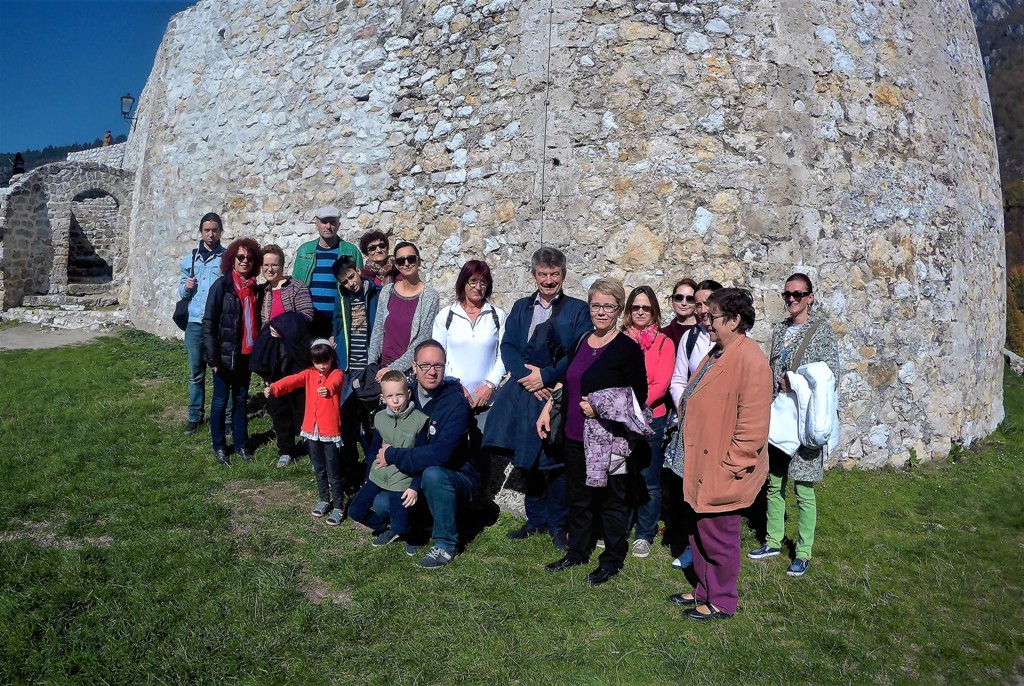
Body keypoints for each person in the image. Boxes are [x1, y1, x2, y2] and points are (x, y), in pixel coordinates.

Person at [669, 288, 772, 619]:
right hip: (701, 463)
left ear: (734, 319)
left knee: (719, 538)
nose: (705, 321)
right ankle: (704, 589)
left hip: (722, 468)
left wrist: (731, 467)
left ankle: (722, 600)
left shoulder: (750, 360)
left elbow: (753, 428)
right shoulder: (718, 352)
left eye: (712, 316)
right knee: (698, 532)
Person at [539, 278, 649, 586]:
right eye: (596, 305)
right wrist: (548, 408)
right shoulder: (582, 340)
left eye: (608, 307)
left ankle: (612, 559)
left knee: (612, 502)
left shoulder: (627, 349)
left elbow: (638, 396)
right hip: (574, 435)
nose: (601, 312)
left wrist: (599, 406)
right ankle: (577, 551)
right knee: (579, 498)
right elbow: (568, 382)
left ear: (619, 309)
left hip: (609, 440)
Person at [483, 248, 591, 551]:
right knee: (528, 459)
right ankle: (535, 520)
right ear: (534, 276)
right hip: (524, 392)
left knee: (555, 461)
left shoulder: (578, 310)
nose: (548, 280)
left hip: (559, 391)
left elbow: (578, 351)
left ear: (563, 275)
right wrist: (526, 377)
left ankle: (557, 525)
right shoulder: (521, 307)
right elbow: (508, 346)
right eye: (543, 274)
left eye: (554, 274)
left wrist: (546, 377)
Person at [748, 272, 840, 577]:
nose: (791, 299)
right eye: (787, 294)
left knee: (804, 488)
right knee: (774, 483)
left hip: (805, 420)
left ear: (810, 297)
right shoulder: (780, 329)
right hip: (780, 418)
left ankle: (803, 552)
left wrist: (795, 383)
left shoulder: (822, 331)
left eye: (798, 294)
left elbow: (830, 376)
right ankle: (773, 541)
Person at [371, 340, 478, 569]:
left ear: (445, 367)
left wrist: (393, 455)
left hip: (455, 476)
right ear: (414, 367)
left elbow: (440, 454)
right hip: (415, 477)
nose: (432, 371)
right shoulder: (404, 395)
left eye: (438, 366)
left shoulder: (456, 403)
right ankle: (420, 525)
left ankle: (446, 544)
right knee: (381, 504)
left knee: (433, 475)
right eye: (425, 365)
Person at [664, 278, 720, 566]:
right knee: (689, 486)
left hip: (719, 427)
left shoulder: (731, 339)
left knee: (713, 488)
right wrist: (685, 409)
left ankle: (713, 545)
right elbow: (678, 379)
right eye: (698, 304)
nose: (701, 309)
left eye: (706, 303)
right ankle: (691, 544)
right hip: (691, 424)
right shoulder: (690, 337)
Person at [265, 340, 346, 525]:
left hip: (329, 431)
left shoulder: (337, 373)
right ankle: (324, 499)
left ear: (332, 358)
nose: (322, 366)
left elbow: (335, 383)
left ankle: (338, 507)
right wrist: (274, 388)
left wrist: (328, 390)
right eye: (318, 362)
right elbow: (291, 381)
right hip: (311, 430)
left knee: (333, 470)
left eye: (325, 361)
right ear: (312, 361)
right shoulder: (309, 374)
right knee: (318, 467)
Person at [348, 370, 430, 546]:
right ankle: (387, 527)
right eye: (389, 396)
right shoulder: (380, 417)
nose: (395, 401)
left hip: (402, 480)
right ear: (383, 398)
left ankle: (408, 530)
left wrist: (415, 486)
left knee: (401, 527)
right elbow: (374, 448)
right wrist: (368, 475)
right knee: (355, 511)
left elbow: (422, 458)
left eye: (399, 395)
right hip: (378, 474)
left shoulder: (419, 420)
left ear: (408, 394)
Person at [622, 286, 675, 559]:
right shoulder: (619, 340)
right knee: (622, 476)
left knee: (648, 479)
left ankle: (644, 534)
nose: (641, 312)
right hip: (620, 417)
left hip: (651, 417)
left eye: (646, 307)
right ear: (629, 310)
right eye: (636, 307)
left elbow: (660, 384)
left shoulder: (664, 343)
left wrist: (633, 406)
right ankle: (620, 527)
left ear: (654, 310)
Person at [202, 237, 262, 466]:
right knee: (219, 401)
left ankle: (241, 444)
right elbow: (209, 323)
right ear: (232, 259)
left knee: (241, 400)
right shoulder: (222, 286)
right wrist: (213, 358)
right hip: (225, 356)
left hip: (246, 354)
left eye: (250, 258)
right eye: (240, 257)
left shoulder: (254, 288)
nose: (245, 261)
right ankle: (219, 446)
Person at [253, 244, 314, 467]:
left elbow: (307, 315)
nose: (270, 269)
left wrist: (282, 326)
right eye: (266, 265)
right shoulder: (262, 292)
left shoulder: (296, 287)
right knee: (276, 400)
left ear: (282, 265)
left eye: (274, 264)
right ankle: (286, 449)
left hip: (293, 354)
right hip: (271, 354)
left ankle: (308, 442)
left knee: (299, 399)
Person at [432, 260, 506, 433]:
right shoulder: (446, 316)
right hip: (454, 397)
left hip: (488, 401)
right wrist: (456, 386)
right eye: (473, 281)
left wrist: (490, 386)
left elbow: (503, 356)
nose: (478, 287)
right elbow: (438, 357)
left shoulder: (497, 316)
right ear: (463, 282)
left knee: (484, 446)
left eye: (483, 282)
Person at [177, 212, 227, 435]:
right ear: (201, 231)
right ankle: (195, 416)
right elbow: (181, 291)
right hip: (195, 323)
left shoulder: (226, 259)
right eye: (207, 230)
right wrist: (186, 287)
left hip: (218, 324)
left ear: (220, 232)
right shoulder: (191, 258)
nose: (210, 234)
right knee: (196, 374)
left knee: (222, 372)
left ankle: (225, 417)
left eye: (214, 230)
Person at [331, 255, 380, 474]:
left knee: (370, 420)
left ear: (358, 271)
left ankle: (373, 464)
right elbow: (337, 322)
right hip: (348, 368)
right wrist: (336, 341)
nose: (350, 283)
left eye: (351, 277)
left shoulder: (376, 293)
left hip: (369, 368)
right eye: (344, 281)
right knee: (346, 417)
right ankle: (349, 466)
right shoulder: (342, 298)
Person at [367, 241, 440, 379]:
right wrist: (371, 366)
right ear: (396, 265)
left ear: (419, 261)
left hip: (409, 372)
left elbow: (423, 339)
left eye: (411, 259)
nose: (406, 264)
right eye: (401, 261)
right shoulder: (387, 292)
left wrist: (393, 369)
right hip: (382, 369)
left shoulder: (430, 296)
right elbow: (377, 331)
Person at [291, 206, 363, 335]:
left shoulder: (351, 251)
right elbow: (294, 287)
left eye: (332, 222)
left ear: (339, 225)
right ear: (316, 224)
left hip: (341, 321)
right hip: (310, 322)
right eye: (324, 222)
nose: (328, 226)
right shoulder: (304, 251)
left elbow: (360, 286)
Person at [661, 278, 699, 350]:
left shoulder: (707, 330)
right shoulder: (663, 334)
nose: (684, 303)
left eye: (690, 299)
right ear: (672, 300)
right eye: (679, 298)